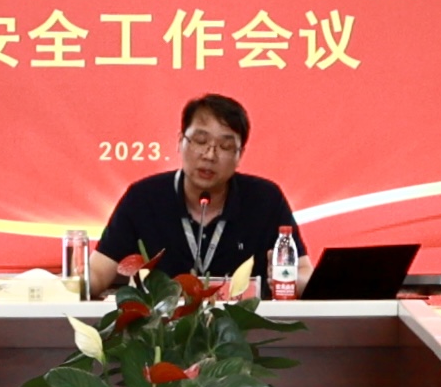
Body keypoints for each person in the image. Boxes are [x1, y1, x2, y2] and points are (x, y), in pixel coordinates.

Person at [87, 90, 298, 289]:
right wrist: (72, 282)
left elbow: (303, 273)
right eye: (200, 141)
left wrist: (288, 278)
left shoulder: (266, 200)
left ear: (239, 155)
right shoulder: (143, 198)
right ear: (180, 142)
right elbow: (97, 272)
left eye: (225, 146)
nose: (210, 155)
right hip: (161, 317)